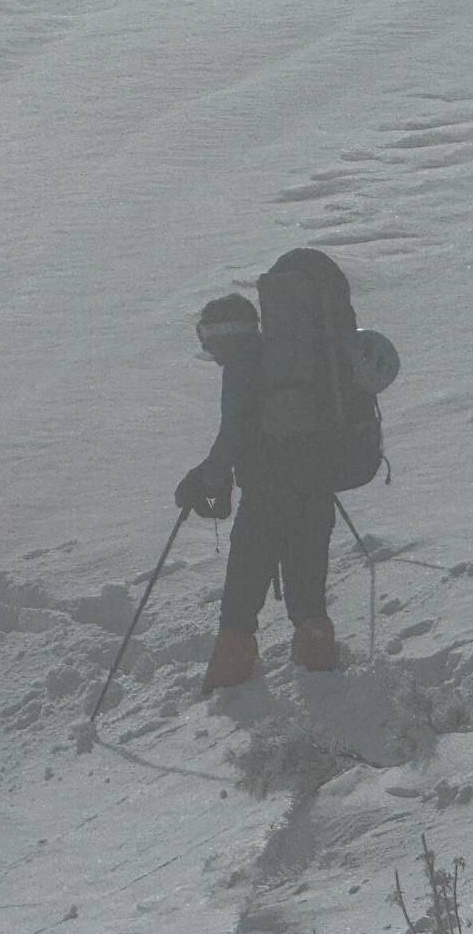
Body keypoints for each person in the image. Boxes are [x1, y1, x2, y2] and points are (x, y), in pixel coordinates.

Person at [176, 284, 338, 694]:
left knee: (242, 591)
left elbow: (233, 432)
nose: (210, 353)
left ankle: (230, 682)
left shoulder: (243, 364)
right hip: (316, 489)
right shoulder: (289, 359)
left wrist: (207, 478)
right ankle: (322, 684)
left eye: (209, 340)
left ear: (225, 335)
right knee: (308, 589)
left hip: (267, 496)